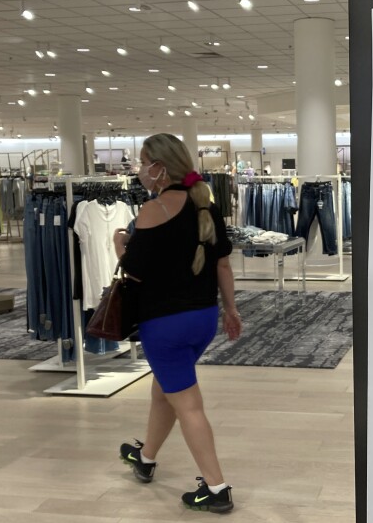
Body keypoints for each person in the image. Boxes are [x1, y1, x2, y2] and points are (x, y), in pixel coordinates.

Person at [112, 133, 242, 513]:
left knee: (188, 405)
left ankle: (216, 488)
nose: (139, 170)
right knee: (164, 390)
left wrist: (120, 244)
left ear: (159, 167)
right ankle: (146, 457)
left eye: (142, 162)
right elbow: (222, 264)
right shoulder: (207, 208)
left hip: (164, 324)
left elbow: (133, 273)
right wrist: (231, 310)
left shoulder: (153, 211)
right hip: (201, 319)